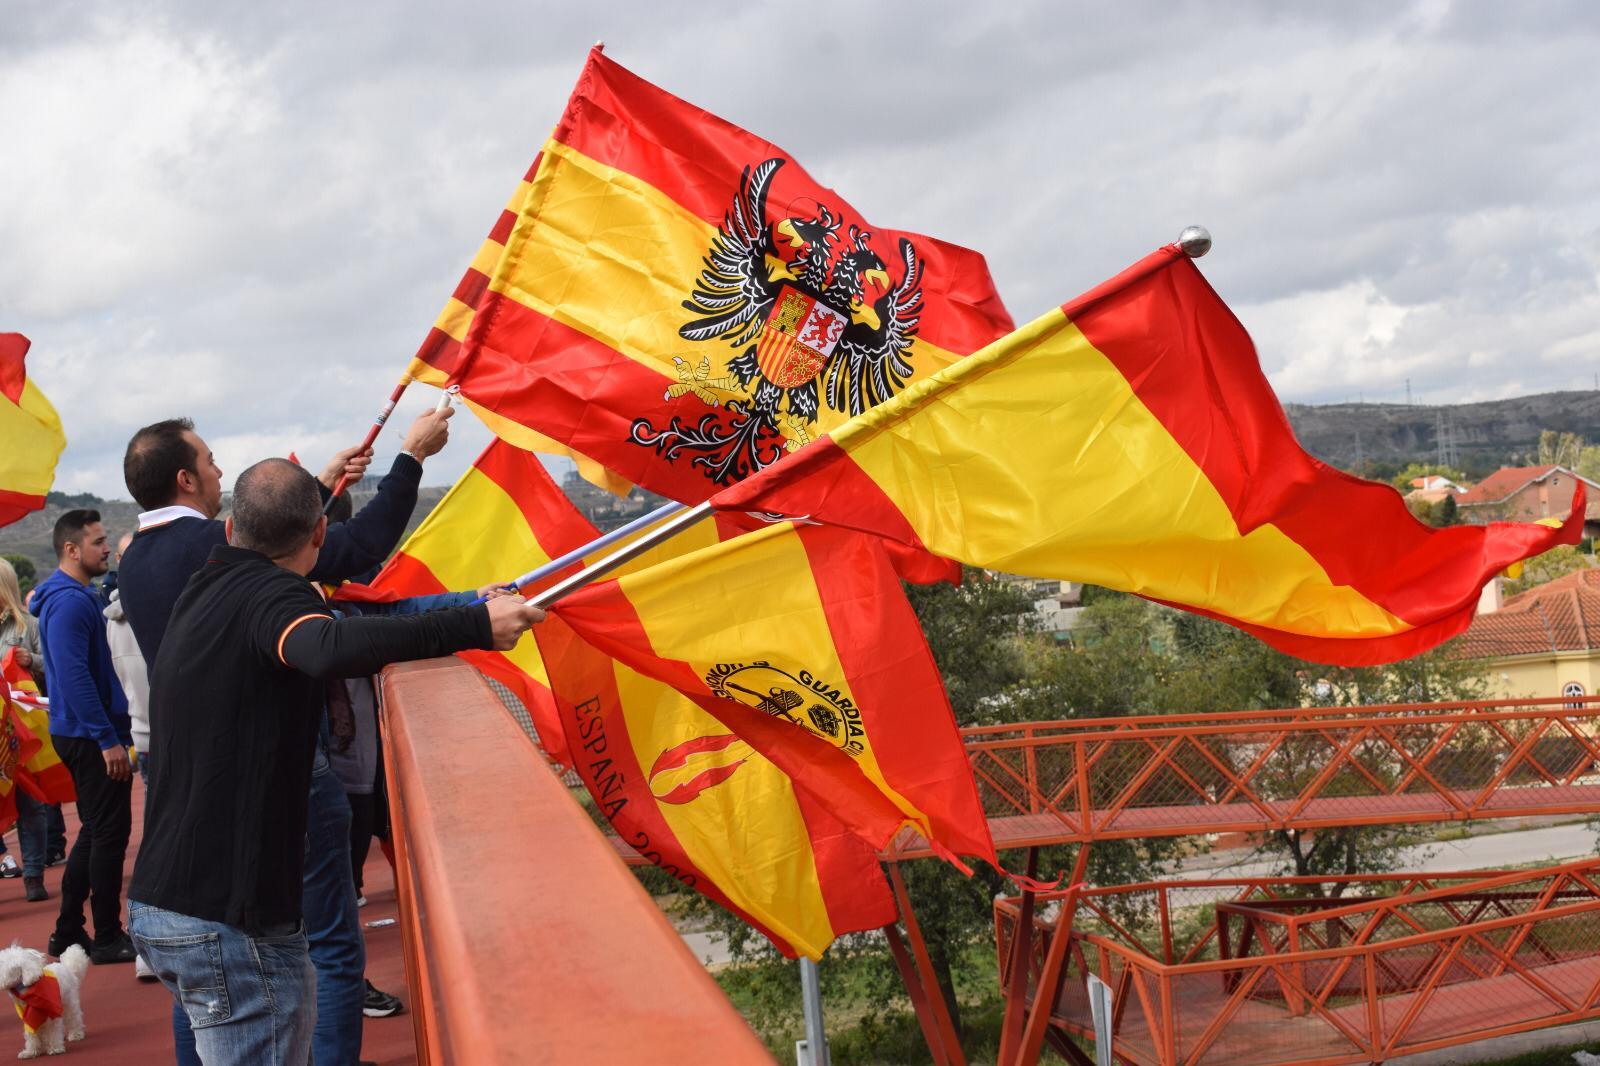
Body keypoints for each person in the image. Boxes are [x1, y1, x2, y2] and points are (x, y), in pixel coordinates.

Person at [128, 459, 543, 1066]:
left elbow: (354, 621)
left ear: (229, 529)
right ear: (319, 537)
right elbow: (325, 645)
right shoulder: (274, 595)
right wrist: (476, 624)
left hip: (167, 904)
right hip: (230, 921)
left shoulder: (207, 583)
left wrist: (463, 609)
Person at [31, 511, 136, 963]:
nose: (106, 547)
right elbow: (73, 676)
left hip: (84, 730)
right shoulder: (71, 603)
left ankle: (70, 930)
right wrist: (106, 738)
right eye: (97, 541)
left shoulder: (72, 598)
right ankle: (106, 934)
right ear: (71, 550)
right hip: (89, 734)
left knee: (98, 830)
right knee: (108, 832)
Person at [103, 533, 156, 979]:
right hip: (173, 734)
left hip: (144, 734)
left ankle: (146, 943)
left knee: (157, 840)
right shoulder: (153, 608)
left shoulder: (112, 618)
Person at [0, 558, 52, 902]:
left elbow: (52, 663)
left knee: (32, 803)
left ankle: (33, 874)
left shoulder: (29, 625)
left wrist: (29, 661)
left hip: (25, 730)